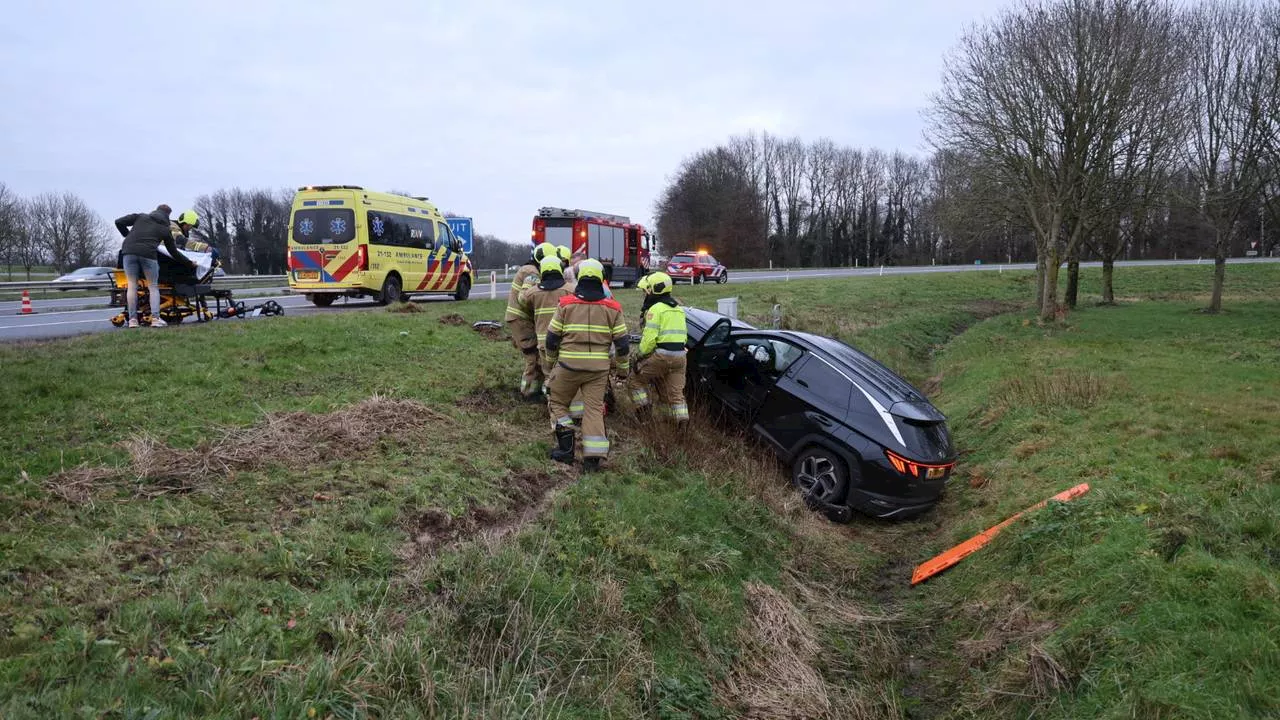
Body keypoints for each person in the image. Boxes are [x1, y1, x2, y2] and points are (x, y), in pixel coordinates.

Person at [544, 259, 630, 472]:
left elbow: (552, 339)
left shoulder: (565, 304)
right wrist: (622, 370)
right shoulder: (614, 308)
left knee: (557, 401)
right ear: (602, 279)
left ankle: (566, 450)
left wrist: (550, 363)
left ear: (580, 277)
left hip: (568, 366)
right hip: (598, 370)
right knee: (593, 410)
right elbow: (622, 345)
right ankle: (593, 458)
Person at [114, 204, 194, 328]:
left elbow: (118, 221)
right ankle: (156, 319)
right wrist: (189, 263)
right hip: (148, 255)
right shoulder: (165, 229)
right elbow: (173, 252)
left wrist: (127, 235)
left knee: (132, 286)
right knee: (153, 287)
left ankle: (133, 320)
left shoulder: (140, 217)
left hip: (128, 252)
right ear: (167, 216)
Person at [627, 272, 689, 424]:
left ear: (653, 289)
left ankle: (644, 415)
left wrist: (638, 357)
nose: (644, 295)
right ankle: (680, 425)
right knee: (675, 394)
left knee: (634, 381)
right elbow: (684, 337)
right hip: (680, 358)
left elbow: (649, 341)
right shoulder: (679, 309)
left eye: (645, 291)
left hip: (661, 356)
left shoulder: (656, 309)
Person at [505, 242, 555, 399]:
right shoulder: (531, 272)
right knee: (532, 357)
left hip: (520, 320)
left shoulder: (528, 269)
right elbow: (525, 298)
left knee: (534, 356)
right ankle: (528, 393)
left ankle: (534, 390)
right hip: (522, 321)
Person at [520, 255, 576, 395]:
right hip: (566, 341)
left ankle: (551, 405)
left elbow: (521, 301)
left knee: (549, 375)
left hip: (544, 343)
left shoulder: (533, 293)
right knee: (567, 374)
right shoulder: (571, 290)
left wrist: (527, 283)